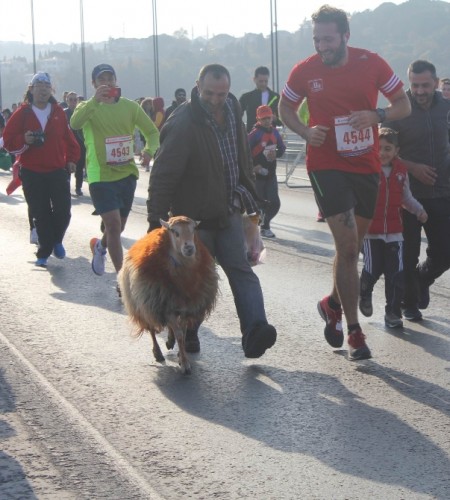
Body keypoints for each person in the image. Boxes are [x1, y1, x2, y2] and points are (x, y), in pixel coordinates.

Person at [278, 5, 411, 360]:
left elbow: (403, 104)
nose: (322, 46)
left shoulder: (371, 63)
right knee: (350, 249)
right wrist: (306, 131)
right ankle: (354, 332)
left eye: (329, 39)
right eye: (317, 39)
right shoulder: (305, 70)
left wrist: (377, 114)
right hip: (325, 166)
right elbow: (284, 108)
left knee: (351, 246)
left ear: (345, 36)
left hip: (365, 167)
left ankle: (332, 302)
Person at [147, 63, 277, 359]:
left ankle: (256, 331)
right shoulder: (183, 123)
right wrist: (155, 221)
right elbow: (163, 174)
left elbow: (241, 157)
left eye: (222, 93)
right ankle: (188, 331)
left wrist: (251, 199)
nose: (216, 99)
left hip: (229, 211)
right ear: (197, 86)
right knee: (197, 281)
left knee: (241, 271)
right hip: (193, 221)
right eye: (209, 93)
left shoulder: (233, 111)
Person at [70, 63, 159, 287]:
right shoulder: (87, 107)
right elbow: (74, 123)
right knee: (112, 225)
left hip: (126, 174)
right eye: (102, 79)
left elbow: (152, 132)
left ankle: (101, 247)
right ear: (94, 84)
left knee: (119, 227)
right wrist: (94, 101)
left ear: (116, 81)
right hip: (100, 175)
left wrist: (149, 151)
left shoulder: (130, 107)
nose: (107, 83)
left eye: (110, 78)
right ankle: (123, 282)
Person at [384, 60, 450, 321]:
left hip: (442, 193)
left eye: (425, 85)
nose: (420, 91)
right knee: (408, 254)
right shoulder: (400, 109)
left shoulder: (445, 108)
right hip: (407, 196)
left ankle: (421, 281)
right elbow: (383, 151)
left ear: (435, 83)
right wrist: (412, 167)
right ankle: (407, 302)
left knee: (445, 253)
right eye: (415, 85)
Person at [3, 72, 80, 267]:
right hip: (31, 171)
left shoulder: (58, 112)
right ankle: (44, 251)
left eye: (47, 86)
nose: (43, 89)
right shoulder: (23, 113)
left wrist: (72, 159)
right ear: (31, 89)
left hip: (56, 170)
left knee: (64, 211)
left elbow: (69, 139)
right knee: (41, 213)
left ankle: (56, 240)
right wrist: (24, 140)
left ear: (51, 90)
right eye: (39, 86)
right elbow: (9, 140)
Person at [359, 127, 427, 328]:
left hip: (395, 232)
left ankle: (393, 313)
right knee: (372, 268)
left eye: (388, 148)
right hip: (370, 232)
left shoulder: (400, 171)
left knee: (396, 273)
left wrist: (419, 210)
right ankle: (364, 291)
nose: (383, 153)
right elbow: (357, 197)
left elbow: (406, 197)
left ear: (397, 150)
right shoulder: (367, 169)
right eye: (379, 148)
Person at [248, 104, 286, 238]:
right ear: (258, 118)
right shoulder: (254, 134)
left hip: (271, 174)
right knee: (259, 204)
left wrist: (276, 153)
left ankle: (265, 225)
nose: (267, 120)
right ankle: (259, 228)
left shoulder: (275, 132)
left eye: (269, 117)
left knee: (275, 203)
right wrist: (253, 167)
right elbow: (244, 153)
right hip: (257, 176)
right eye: (264, 118)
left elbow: (282, 149)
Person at [239, 66, 281, 133]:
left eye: (266, 81)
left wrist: (275, 119)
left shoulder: (276, 97)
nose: (263, 84)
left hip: (270, 137)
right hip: (253, 138)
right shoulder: (246, 97)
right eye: (261, 81)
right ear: (254, 79)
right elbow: (237, 116)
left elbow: (282, 121)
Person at [64, 91, 86, 196]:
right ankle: (66, 187)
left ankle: (78, 188)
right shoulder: (63, 113)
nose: (73, 102)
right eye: (70, 99)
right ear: (67, 101)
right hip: (68, 145)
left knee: (80, 167)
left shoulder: (80, 112)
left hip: (80, 143)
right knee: (67, 166)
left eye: (75, 100)